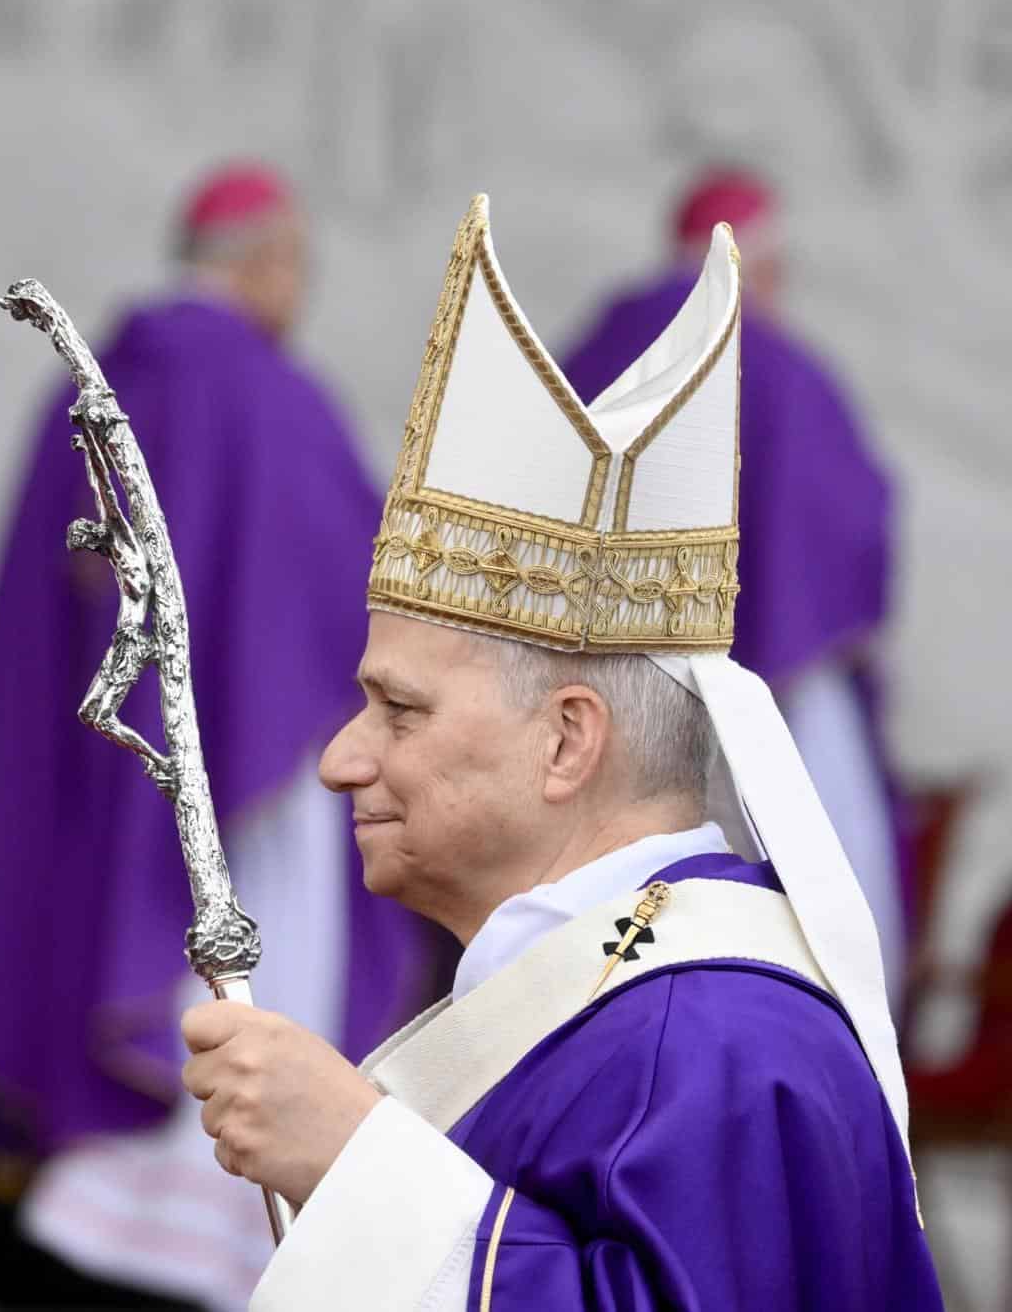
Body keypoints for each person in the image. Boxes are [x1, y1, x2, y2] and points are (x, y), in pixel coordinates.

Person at [179, 194, 942, 1309]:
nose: (340, 760)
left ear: (567, 741)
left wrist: (355, 1167)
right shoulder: (613, 1001)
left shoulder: (717, 1041)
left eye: (399, 710)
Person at [0, 164, 424, 1310]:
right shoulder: (280, 406)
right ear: (267, 263)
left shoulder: (84, 393)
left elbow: (19, 640)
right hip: (237, 823)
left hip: (96, 791)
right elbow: (354, 621)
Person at [563, 169, 910, 1004]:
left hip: (599, 708)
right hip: (769, 713)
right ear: (754, 265)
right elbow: (853, 528)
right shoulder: (779, 367)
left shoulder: (597, 350)